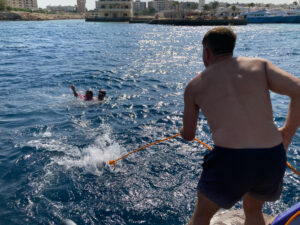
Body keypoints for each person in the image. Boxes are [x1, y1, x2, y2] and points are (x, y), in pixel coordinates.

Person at [180, 27, 300, 225]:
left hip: (231, 160)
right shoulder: (260, 66)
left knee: (202, 216)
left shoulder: (195, 86)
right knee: (253, 212)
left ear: (207, 53)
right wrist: (286, 133)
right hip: (271, 156)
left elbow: (189, 135)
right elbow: (298, 90)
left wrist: (183, 131)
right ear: (231, 48)